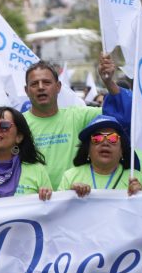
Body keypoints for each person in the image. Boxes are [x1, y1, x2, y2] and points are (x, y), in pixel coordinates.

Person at [23, 56, 131, 189]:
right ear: (26, 90)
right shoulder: (17, 125)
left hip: (74, 200)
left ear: (58, 87)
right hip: (34, 203)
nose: (40, 87)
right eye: (34, 84)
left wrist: (108, 82)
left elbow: (123, 113)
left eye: (46, 82)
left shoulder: (79, 116)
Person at [58, 115, 142, 196]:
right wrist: (70, 195)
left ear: (122, 150)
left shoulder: (136, 178)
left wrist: (141, 196)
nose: (105, 143)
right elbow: (60, 210)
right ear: (87, 149)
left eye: (113, 138)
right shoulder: (70, 176)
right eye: (97, 138)